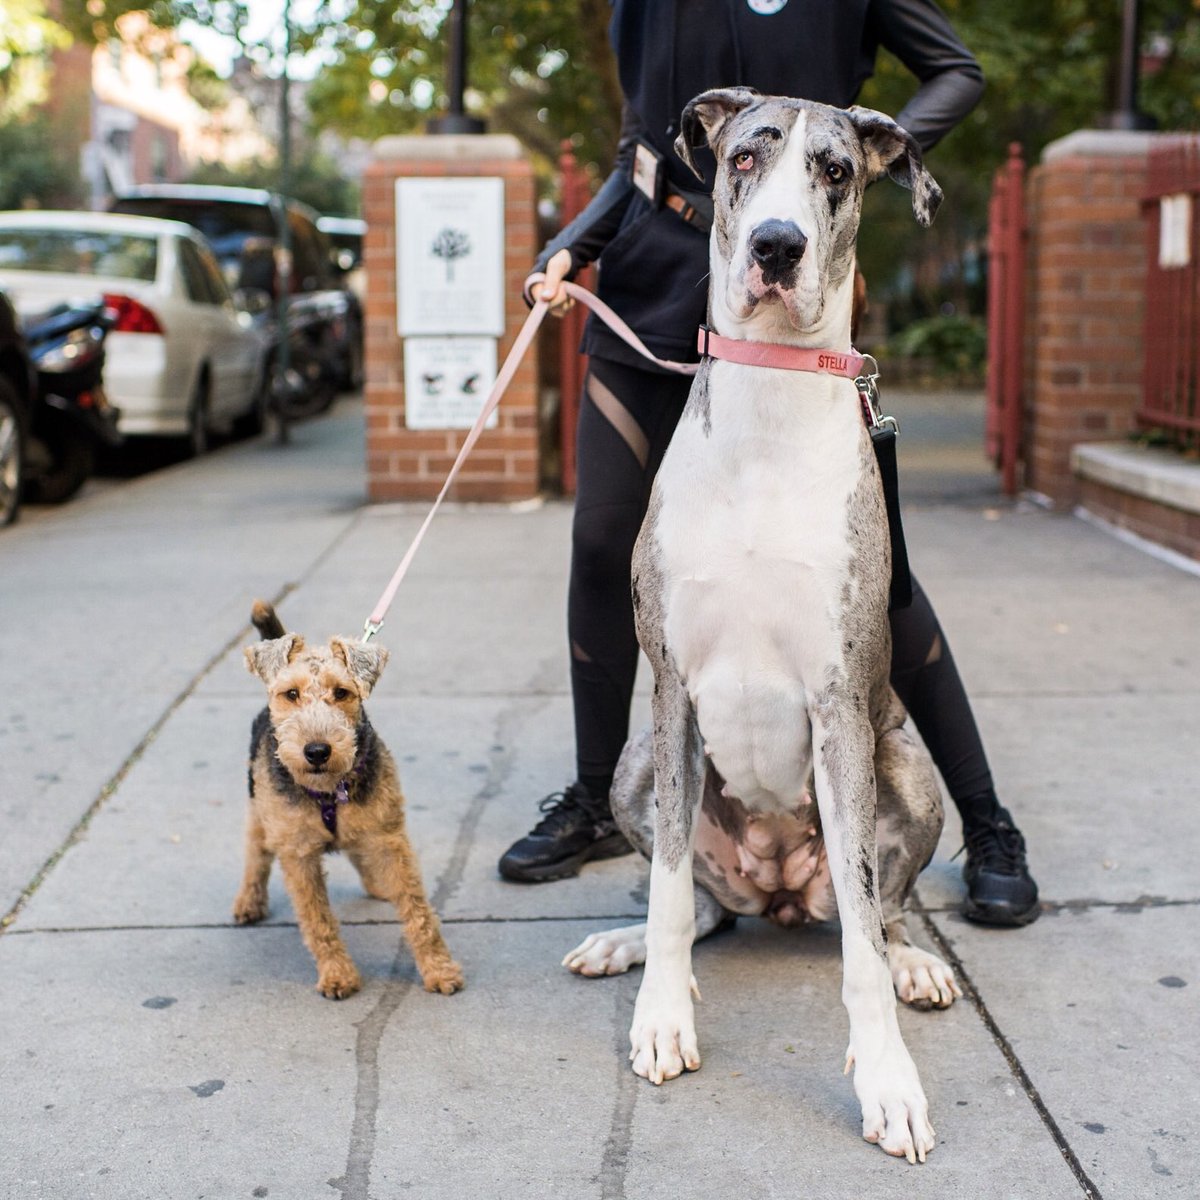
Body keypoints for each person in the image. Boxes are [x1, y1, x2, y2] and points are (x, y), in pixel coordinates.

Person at [497, 0, 1039, 927]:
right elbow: (639, 145)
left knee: (870, 580)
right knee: (601, 541)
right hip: (661, 268)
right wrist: (572, 246)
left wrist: (844, 165)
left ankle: (987, 822)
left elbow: (959, 68)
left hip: (796, 285)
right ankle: (596, 798)